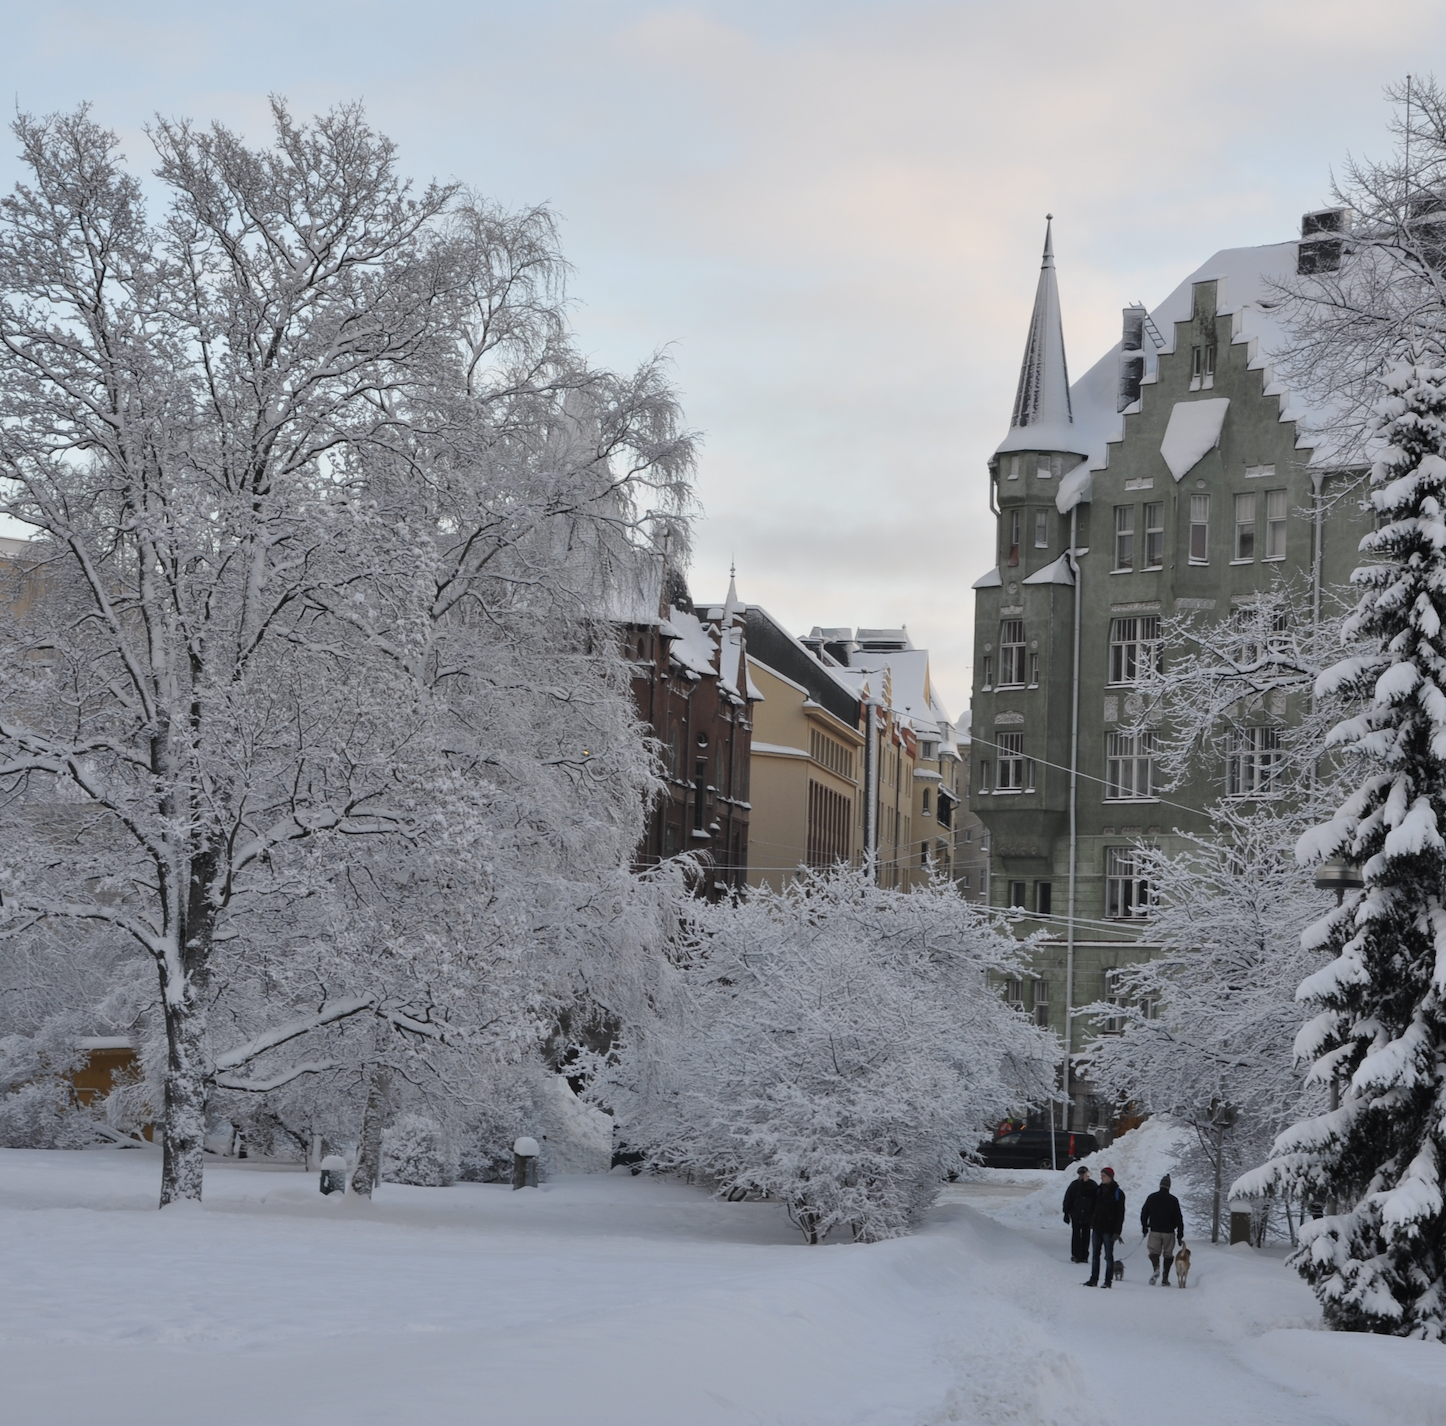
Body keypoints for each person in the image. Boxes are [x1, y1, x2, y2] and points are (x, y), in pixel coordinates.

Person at [1140, 1173, 1185, 1287]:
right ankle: (1165, 1278)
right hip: (1169, 1231)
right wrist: (1180, 1235)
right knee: (1168, 1255)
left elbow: (1144, 1213)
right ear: (1169, 1186)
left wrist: (1145, 1226)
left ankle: (1156, 1268)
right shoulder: (1173, 1200)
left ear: (1160, 1185)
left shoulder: (1152, 1197)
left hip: (1155, 1230)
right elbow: (1179, 1218)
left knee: (1153, 1252)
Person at [1084, 1166, 1125, 1288]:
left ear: (1110, 1177)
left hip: (1109, 1229)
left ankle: (1108, 1281)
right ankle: (1093, 1278)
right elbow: (1086, 1195)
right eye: (1101, 1176)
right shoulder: (1098, 1190)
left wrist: (1117, 1231)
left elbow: (1120, 1214)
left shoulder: (1118, 1193)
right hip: (1097, 1227)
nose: (1102, 1178)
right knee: (1095, 1255)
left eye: (1104, 1176)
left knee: (1108, 1256)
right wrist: (1085, 1182)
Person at [1062, 1165, 1097, 1264]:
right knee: (1076, 1234)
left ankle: (1084, 1255)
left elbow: (1097, 1200)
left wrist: (1095, 1215)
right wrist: (1066, 1213)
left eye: (1084, 1173)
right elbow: (1068, 1199)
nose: (1082, 1176)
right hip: (1076, 1214)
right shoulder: (1074, 1185)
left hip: (1088, 1214)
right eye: (1081, 1174)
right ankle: (1076, 1255)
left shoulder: (1092, 1185)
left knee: (1086, 1235)